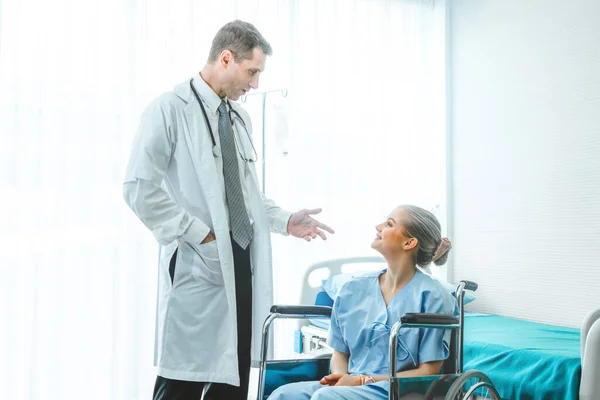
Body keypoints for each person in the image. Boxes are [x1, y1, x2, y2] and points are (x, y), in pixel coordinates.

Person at [123, 20, 334, 400]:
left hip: (240, 259)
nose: (254, 84)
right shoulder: (170, 110)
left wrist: (285, 220)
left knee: (234, 379)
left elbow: (247, 196)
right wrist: (199, 234)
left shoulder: (238, 119)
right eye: (252, 72)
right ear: (226, 59)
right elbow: (139, 188)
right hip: (198, 260)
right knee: (183, 378)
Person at [268, 205, 456, 400]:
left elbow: (429, 372)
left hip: (397, 390)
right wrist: (341, 379)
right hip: (351, 385)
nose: (378, 226)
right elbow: (340, 353)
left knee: (325, 398)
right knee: (282, 395)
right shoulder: (352, 289)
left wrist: (361, 381)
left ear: (409, 242)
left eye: (389, 223)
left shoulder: (434, 296)